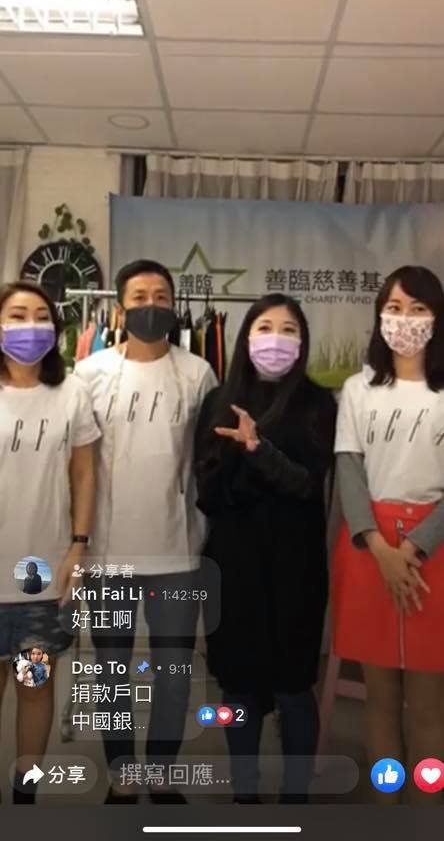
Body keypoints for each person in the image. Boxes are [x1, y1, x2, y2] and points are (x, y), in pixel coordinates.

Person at [75, 259, 217, 804]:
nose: (151, 305)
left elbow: (208, 459)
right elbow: (78, 464)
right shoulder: (90, 374)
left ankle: (160, 770)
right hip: (107, 550)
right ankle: (121, 773)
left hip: (177, 548)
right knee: (110, 670)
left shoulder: (197, 374)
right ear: (120, 308)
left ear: (173, 305)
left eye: (161, 296)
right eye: (139, 296)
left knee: (174, 672)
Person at [194, 293, 337, 804]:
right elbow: (207, 494)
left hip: (296, 563)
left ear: (302, 342)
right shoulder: (218, 400)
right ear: (246, 337)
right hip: (233, 563)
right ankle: (245, 793)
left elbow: (306, 483)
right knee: (238, 685)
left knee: (294, 686)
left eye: (289, 329)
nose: (276, 338)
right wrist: (234, 458)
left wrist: (258, 450)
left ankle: (296, 796)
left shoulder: (319, 403)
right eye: (265, 327)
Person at [332, 265, 444, 805]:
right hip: (368, 550)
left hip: (434, 552)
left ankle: (426, 814)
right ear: (379, 316)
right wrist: (380, 547)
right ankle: (387, 810)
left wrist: (415, 546)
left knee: (427, 704)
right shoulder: (359, 389)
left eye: (418, 309)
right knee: (378, 699)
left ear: (437, 319)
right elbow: (349, 468)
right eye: (395, 309)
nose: (405, 320)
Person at [0, 281, 100, 804]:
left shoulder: (72, 393)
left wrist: (78, 545)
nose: (30, 326)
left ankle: (26, 793)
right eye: (17, 315)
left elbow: (84, 472)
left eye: (41, 316)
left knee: (35, 688)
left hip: (42, 579)